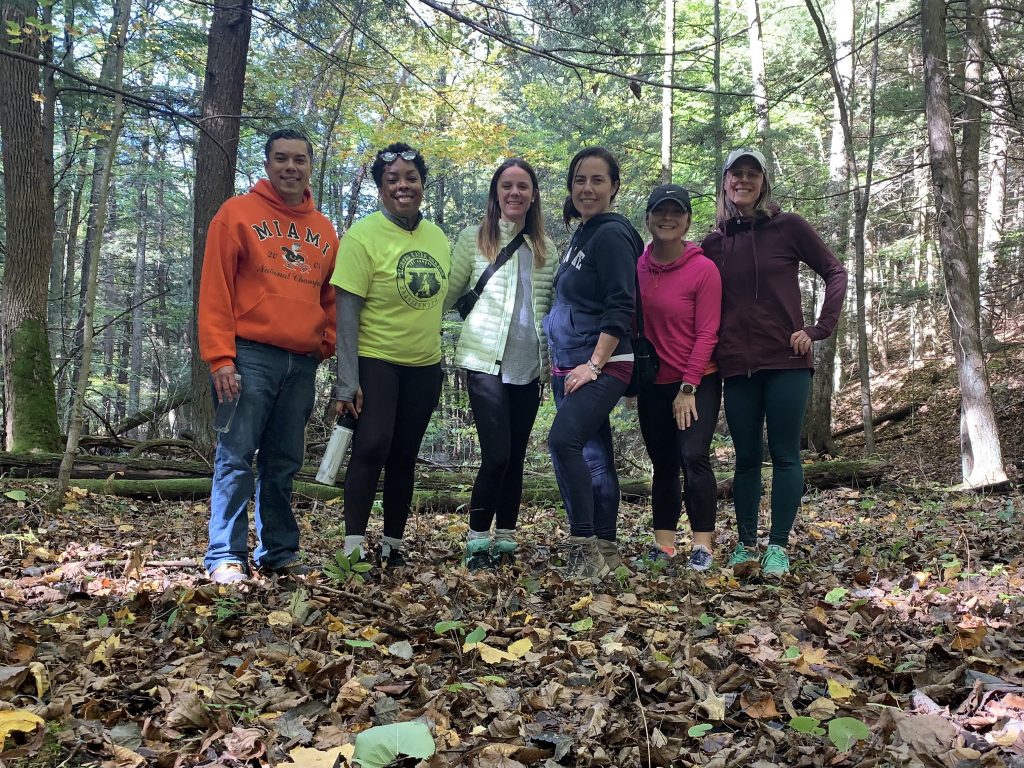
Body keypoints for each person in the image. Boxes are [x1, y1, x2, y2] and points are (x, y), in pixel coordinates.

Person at [199, 128, 338, 585]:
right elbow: (215, 289)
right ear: (268, 163)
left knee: (283, 462)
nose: (291, 168)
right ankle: (225, 554)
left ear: (310, 167)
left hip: (300, 363)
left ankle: (279, 550)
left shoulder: (323, 229)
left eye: (300, 160)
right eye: (281, 159)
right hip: (249, 356)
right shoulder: (236, 215)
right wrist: (221, 357)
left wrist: (325, 343)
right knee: (236, 456)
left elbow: (332, 296)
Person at [701, 148, 847, 576]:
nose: (743, 181)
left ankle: (778, 545)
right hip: (735, 366)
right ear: (725, 183)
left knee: (785, 455)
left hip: (786, 360)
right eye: (736, 174)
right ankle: (746, 545)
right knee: (745, 458)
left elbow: (834, 271)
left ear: (763, 182)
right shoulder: (713, 242)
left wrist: (818, 329)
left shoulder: (788, 227)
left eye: (752, 174)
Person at [330, 142, 450, 571]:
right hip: (376, 359)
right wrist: (346, 381)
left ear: (422, 183)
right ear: (381, 188)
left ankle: (393, 544)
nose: (403, 186)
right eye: (393, 179)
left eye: (411, 178)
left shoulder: (436, 236)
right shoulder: (362, 237)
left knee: (405, 454)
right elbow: (346, 313)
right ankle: (353, 547)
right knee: (372, 445)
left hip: (424, 365)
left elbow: (443, 298)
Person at [445, 159, 555, 570]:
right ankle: (477, 544)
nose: (514, 193)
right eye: (506, 186)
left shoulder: (545, 249)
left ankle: (506, 541)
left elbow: (551, 310)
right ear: (496, 193)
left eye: (522, 186)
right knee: (496, 456)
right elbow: (447, 294)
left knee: (517, 457)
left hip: (528, 369)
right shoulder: (473, 240)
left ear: (532, 195)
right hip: (483, 363)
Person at [544, 147, 644, 580]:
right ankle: (607, 551)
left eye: (598, 180)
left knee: (562, 442)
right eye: (580, 179)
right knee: (595, 456)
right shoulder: (582, 235)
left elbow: (622, 304)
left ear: (614, 187)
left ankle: (582, 546)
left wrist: (595, 364)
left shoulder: (612, 234)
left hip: (602, 362)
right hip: (568, 363)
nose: (587, 188)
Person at [636, 184, 722, 571]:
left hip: (697, 379)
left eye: (675, 212)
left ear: (687, 220)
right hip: (653, 382)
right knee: (663, 462)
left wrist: (688, 387)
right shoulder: (637, 264)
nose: (667, 218)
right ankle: (664, 544)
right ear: (649, 218)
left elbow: (708, 333)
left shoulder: (703, 269)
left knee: (693, 456)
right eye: (659, 212)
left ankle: (703, 545)